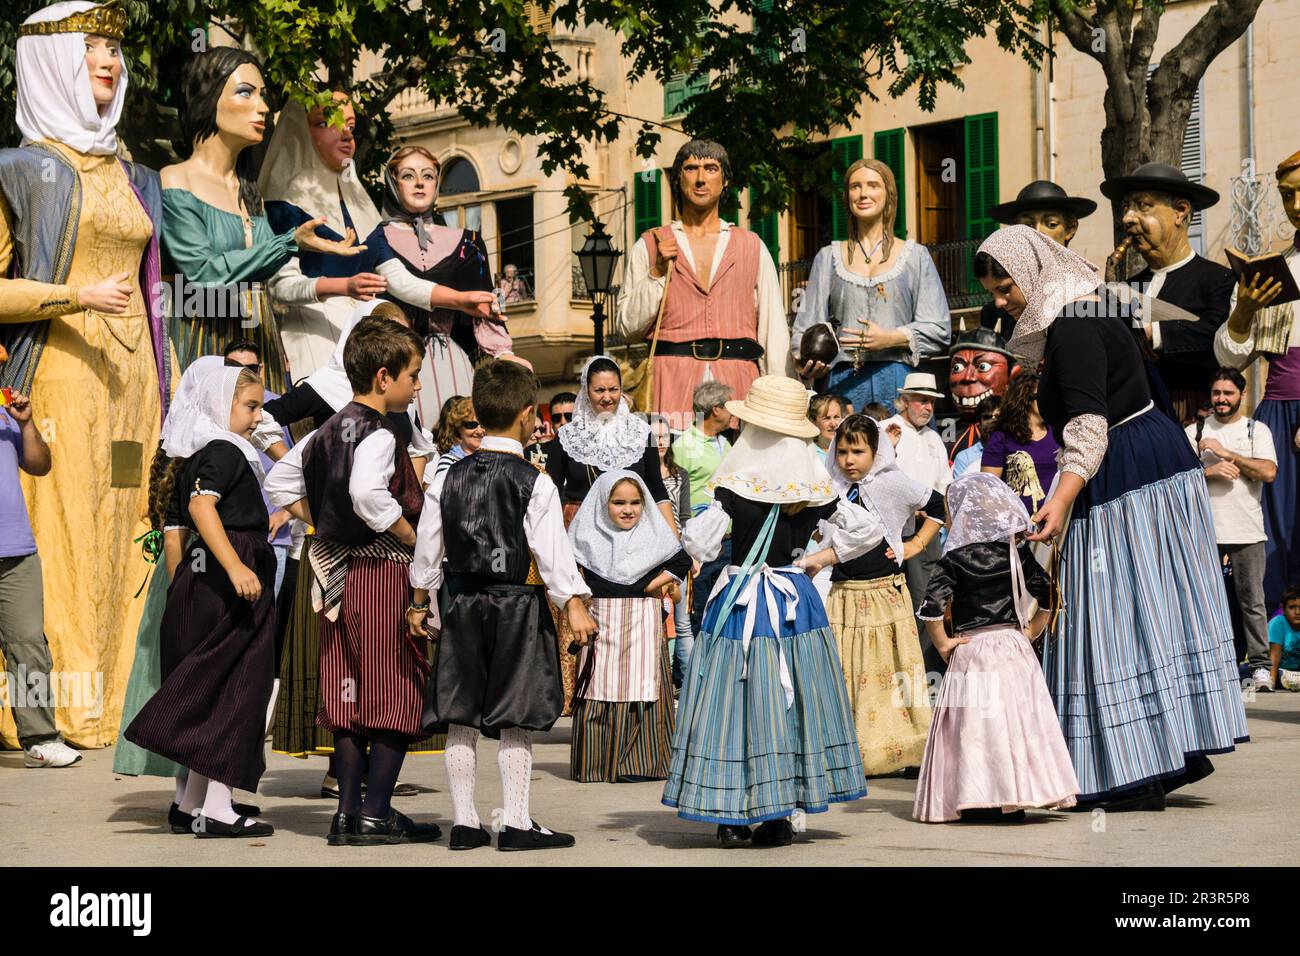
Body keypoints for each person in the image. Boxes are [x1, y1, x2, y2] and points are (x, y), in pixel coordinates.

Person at [975, 224, 1249, 812]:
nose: (1002, 302)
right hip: (1153, 458)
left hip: (1125, 468)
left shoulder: (1072, 326)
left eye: (1006, 288)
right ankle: (1156, 752)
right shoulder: (1090, 308)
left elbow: (1089, 426)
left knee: (1107, 610)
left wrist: (1061, 497)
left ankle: (1123, 765)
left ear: (1033, 272)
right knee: (1148, 606)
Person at [0, 2, 171, 749]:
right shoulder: (21, 169)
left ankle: (120, 700)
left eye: (111, 48)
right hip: (63, 379)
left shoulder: (134, 171)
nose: (107, 59)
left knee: (125, 526)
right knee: (65, 536)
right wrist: (73, 294)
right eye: (89, 46)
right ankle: (48, 712)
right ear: (50, 62)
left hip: (134, 391)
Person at [664, 376, 875, 847]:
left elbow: (697, 540)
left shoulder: (734, 483)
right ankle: (780, 814)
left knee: (735, 703)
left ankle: (733, 812)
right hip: (793, 603)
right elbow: (865, 533)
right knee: (792, 702)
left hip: (741, 601)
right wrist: (815, 558)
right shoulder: (815, 486)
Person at [264, 316, 442, 846]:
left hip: (335, 577)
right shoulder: (382, 432)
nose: (417, 386)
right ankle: (376, 810)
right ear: (384, 377)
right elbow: (369, 494)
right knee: (395, 688)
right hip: (381, 573)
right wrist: (410, 536)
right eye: (413, 375)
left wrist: (320, 520)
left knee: (349, 693)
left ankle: (348, 812)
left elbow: (278, 481)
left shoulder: (325, 430)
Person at [409, 359, 598, 851]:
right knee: (517, 714)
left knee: (460, 712)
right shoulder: (533, 479)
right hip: (517, 604)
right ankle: (515, 821)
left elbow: (428, 547)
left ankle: (465, 822)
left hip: (465, 601)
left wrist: (418, 601)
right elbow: (551, 553)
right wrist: (573, 602)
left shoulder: (446, 478)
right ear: (526, 416)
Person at [124, 359, 276, 837]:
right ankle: (218, 807)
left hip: (202, 580)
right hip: (227, 578)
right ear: (219, 402)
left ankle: (193, 803)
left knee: (211, 686)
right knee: (236, 688)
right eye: (250, 406)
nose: (258, 417)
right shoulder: (223, 451)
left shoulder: (192, 454)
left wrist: (186, 587)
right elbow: (199, 506)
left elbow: (176, 536)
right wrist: (235, 565)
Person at [161, 49, 363, 394]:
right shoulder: (176, 180)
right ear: (208, 99)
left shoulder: (247, 189)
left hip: (259, 336)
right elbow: (204, 273)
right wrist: (288, 244)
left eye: (262, 95)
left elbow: (268, 277)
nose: (264, 107)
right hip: (204, 338)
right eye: (245, 92)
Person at [912, 473, 1079, 823]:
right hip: (1013, 646)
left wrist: (943, 644)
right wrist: (1030, 630)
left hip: (973, 647)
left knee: (976, 725)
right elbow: (1050, 595)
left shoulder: (953, 560)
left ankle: (979, 796)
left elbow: (931, 607)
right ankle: (1015, 797)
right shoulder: (1015, 553)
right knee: (1017, 721)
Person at [804, 414, 942, 776]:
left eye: (858, 452)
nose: (849, 460)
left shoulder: (893, 483)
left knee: (890, 670)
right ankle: (849, 749)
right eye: (843, 451)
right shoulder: (830, 486)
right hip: (844, 593)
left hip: (884, 594)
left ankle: (901, 749)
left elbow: (941, 504)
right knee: (847, 670)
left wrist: (916, 544)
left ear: (876, 451)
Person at [616, 139, 789, 423]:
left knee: (739, 467)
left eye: (710, 168)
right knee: (673, 465)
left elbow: (774, 332)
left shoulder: (751, 246)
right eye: (690, 169)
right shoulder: (650, 244)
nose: (700, 178)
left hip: (739, 386)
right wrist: (657, 272)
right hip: (670, 383)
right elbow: (627, 327)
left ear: (725, 182)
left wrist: (780, 406)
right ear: (677, 179)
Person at [357, 146, 506, 422]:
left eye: (428, 176)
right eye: (408, 176)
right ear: (393, 182)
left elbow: (488, 304)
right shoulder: (377, 242)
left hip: (453, 361)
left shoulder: (468, 242)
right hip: (397, 365)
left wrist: (504, 352)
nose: (419, 183)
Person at [792, 158, 951, 409]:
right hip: (841, 383)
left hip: (900, 381)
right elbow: (804, 328)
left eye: (873, 185)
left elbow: (939, 329)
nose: (863, 193)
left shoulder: (915, 256)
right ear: (847, 197)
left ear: (888, 194)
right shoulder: (827, 258)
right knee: (848, 447)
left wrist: (891, 338)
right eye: (855, 187)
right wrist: (806, 362)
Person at [1214, 148, 1300, 613]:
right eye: (1288, 195)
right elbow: (1230, 355)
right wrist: (1244, 310)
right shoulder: (1272, 270)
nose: (1298, 205)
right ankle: (1277, 643)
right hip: (1275, 413)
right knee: (1272, 529)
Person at [568, 470, 690, 782]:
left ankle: (642, 762)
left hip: (642, 623)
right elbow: (565, 567)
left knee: (645, 686)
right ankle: (596, 764)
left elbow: (681, 560)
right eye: (618, 502)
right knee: (599, 686)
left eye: (636, 502)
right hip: (603, 621)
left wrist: (655, 584)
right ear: (602, 504)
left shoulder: (654, 535)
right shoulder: (584, 536)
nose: (628, 509)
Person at [261, 94, 384, 379]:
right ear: (302, 132)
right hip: (315, 340)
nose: (345, 134)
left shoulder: (361, 201)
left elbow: (393, 273)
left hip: (371, 344)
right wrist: (343, 286)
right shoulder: (286, 202)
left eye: (351, 127)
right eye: (327, 122)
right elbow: (280, 286)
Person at [1101, 162, 1235, 423]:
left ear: (1180, 211)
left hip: (1189, 412)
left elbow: (1217, 336)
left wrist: (1152, 332)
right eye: (1126, 207)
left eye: (1142, 206)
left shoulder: (1218, 278)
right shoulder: (1127, 287)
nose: (1127, 218)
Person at [0, 384, 79, 768]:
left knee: (29, 647)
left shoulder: (5, 415)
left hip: (16, 551)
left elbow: (39, 465)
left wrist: (27, 425)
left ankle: (40, 740)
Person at [1184, 368, 1277, 691]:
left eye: (1228, 393)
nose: (1221, 399)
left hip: (1247, 531)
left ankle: (1261, 667)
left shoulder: (1256, 430)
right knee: (1204, 601)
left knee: (1252, 601)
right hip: (1204, 532)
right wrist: (1207, 471)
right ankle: (1212, 666)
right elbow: (1174, 481)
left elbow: (1268, 472)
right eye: (1216, 393)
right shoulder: (1194, 431)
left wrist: (1227, 453)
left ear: (1241, 395)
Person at [979, 180, 1098, 343]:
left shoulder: (1087, 300)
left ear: (1070, 228)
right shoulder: (996, 312)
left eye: (1051, 224)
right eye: (1027, 226)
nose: (1037, 233)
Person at [881, 372, 951, 620]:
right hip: (892, 528)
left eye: (932, 401)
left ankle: (923, 659)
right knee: (889, 598)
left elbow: (945, 483)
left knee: (925, 598)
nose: (928, 407)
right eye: (922, 400)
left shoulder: (934, 438)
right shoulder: (885, 429)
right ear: (905, 400)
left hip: (928, 530)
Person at [671, 380, 736, 637]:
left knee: (726, 611)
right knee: (700, 614)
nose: (734, 412)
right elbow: (672, 493)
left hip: (730, 541)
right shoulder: (683, 445)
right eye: (730, 406)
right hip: (700, 546)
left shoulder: (726, 443)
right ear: (716, 409)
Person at [650, 414, 695, 685]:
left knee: (682, 623)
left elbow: (686, 516)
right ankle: (661, 683)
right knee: (657, 622)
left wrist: (691, 554)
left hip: (677, 552)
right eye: (655, 437)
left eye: (664, 435)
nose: (661, 441)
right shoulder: (641, 474)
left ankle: (689, 686)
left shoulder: (680, 475)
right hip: (652, 553)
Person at [981, 370, 1060, 517]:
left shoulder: (1057, 434)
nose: (1051, 400)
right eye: (1045, 395)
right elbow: (989, 491)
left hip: (1055, 526)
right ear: (1026, 399)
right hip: (1017, 530)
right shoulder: (1001, 437)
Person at [433, 396, 485, 480]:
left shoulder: (497, 456)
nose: (479, 431)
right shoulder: (449, 462)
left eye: (483, 424)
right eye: (471, 425)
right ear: (458, 427)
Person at [952, 396, 1000, 478]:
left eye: (998, 416)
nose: (993, 420)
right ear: (979, 424)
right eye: (987, 417)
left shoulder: (1015, 450)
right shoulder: (964, 458)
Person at [526, 390, 575, 470]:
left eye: (569, 416)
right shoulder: (535, 453)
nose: (563, 422)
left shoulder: (595, 453)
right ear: (551, 423)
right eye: (557, 418)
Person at [1267, 588, 1300, 692]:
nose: (1297, 612)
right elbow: (1275, 655)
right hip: (1279, 671)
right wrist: (1270, 684)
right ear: (1283, 609)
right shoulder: (1278, 623)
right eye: (1292, 607)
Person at [809, 393, 850, 461]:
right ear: (813, 421)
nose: (833, 424)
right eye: (827, 418)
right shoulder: (809, 453)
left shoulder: (851, 449)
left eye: (836, 417)